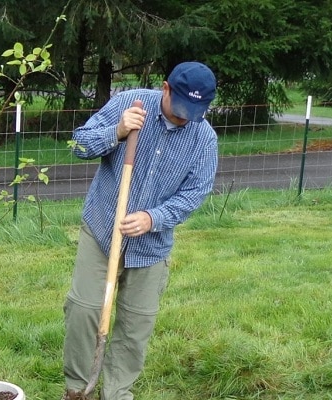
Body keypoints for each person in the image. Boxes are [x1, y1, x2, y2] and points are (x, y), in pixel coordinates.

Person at [62, 61, 218, 400]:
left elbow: (195, 192)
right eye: (180, 108)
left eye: (194, 111)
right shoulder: (129, 103)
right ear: (165, 88)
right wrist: (116, 131)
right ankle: (77, 389)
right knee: (84, 309)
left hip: (151, 246)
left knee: (136, 325)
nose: (185, 117)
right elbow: (78, 146)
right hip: (103, 229)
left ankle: (116, 393)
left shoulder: (204, 138)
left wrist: (153, 218)